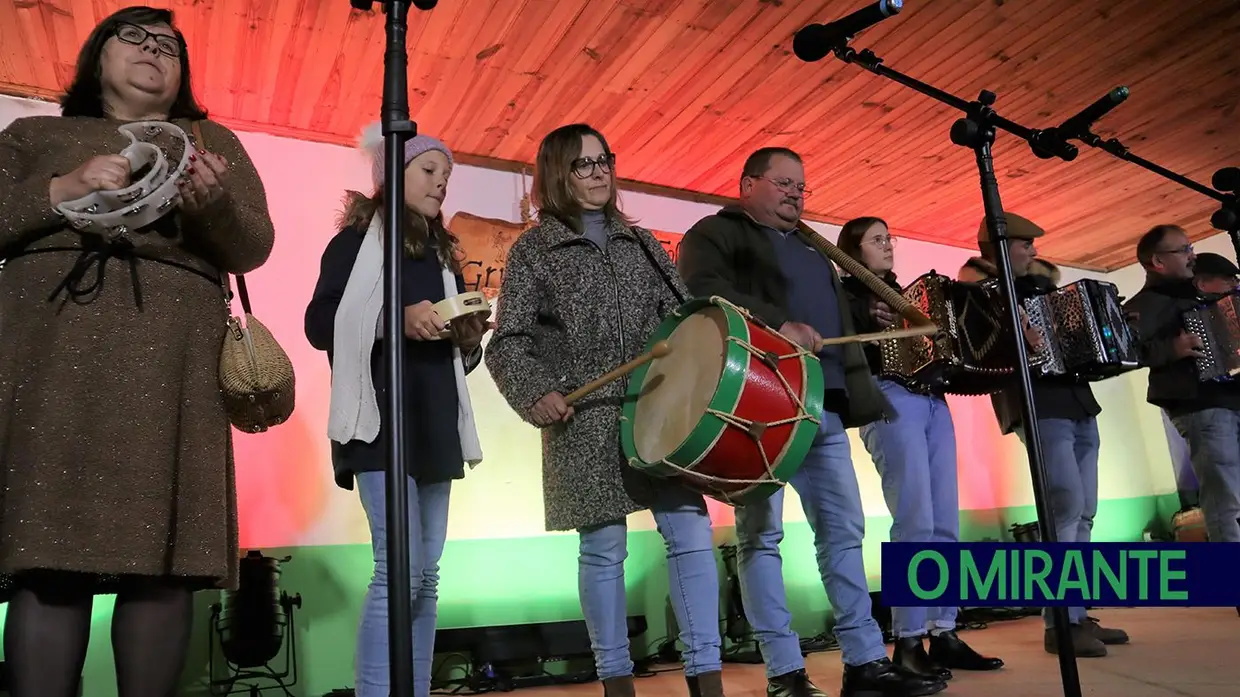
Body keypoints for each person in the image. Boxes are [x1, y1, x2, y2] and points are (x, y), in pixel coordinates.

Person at [0, 6, 275, 697]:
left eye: (170, 48)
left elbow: (253, 247)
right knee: (48, 558)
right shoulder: (34, 134)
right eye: (137, 38)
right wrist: (64, 187)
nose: (155, 51)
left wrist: (212, 205)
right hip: (52, 356)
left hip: (172, 365)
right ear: (97, 57)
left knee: (163, 565)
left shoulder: (213, 141)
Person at [677, 147, 944, 697]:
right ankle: (784, 672)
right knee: (761, 537)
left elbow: (825, 311)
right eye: (783, 183)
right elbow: (702, 290)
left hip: (818, 403)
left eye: (802, 186)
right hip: (757, 406)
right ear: (748, 185)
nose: (796, 193)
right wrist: (778, 324)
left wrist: (864, 312)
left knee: (844, 531)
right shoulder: (714, 232)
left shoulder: (810, 244)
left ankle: (866, 663)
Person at [485, 124, 726, 697]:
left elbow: (683, 318)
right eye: (582, 164)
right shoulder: (533, 251)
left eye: (604, 161)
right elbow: (509, 340)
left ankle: (707, 676)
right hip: (585, 415)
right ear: (556, 176)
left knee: (691, 533)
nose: (598, 173)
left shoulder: (641, 243)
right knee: (603, 550)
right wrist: (534, 391)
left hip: (659, 414)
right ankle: (616, 680)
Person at [305, 127, 487, 697]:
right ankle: (377, 691)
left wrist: (467, 338)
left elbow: (457, 355)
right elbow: (319, 324)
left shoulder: (441, 253)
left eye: (446, 175)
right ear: (390, 177)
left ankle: (413, 690)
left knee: (426, 577)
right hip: (380, 422)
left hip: (434, 423)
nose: (441, 182)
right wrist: (397, 320)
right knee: (398, 570)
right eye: (429, 170)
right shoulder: (356, 243)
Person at [836, 217, 1004, 678]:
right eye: (876, 239)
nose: (888, 245)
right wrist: (865, 315)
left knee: (945, 520)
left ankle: (943, 629)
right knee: (914, 520)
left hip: (931, 397)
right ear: (853, 250)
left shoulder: (912, 293)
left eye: (889, 238)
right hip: (887, 395)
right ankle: (908, 641)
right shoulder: (844, 293)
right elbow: (840, 337)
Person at [957, 214, 1129, 657]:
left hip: (1076, 400)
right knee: (1064, 506)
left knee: (1085, 510)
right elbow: (974, 351)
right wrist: (1016, 339)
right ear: (998, 246)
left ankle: (1077, 613)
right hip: (1035, 404)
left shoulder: (1041, 290)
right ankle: (1060, 623)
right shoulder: (978, 294)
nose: (1034, 251)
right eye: (1025, 244)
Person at [1125, 227, 1240, 546]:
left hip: (1231, 399)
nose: (1192, 254)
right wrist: (1170, 350)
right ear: (1158, 261)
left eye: (1191, 247)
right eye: (1184, 249)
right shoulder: (1145, 305)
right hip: (1200, 405)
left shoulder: (1207, 296)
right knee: (1225, 497)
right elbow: (1124, 351)